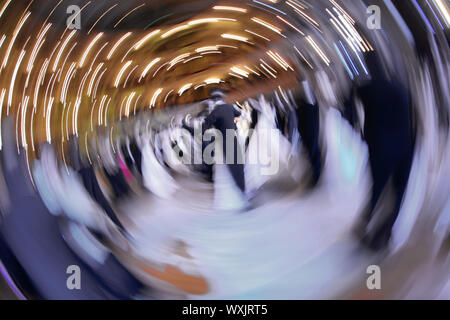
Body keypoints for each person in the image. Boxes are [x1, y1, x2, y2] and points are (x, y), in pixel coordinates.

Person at [355, 51, 415, 251]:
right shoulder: (400, 89)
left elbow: (355, 102)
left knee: (378, 189)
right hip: (404, 148)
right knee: (397, 194)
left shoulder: (366, 90)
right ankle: (384, 234)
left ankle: (368, 231)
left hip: (380, 149)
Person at [202, 88, 247, 210]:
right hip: (234, 139)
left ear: (214, 100)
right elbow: (241, 114)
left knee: (225, 168)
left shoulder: (215, 111)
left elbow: (204, 125)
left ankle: (231, 198)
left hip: (223, 143)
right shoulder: (230, 107)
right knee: (237, 165)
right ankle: (241, 192)